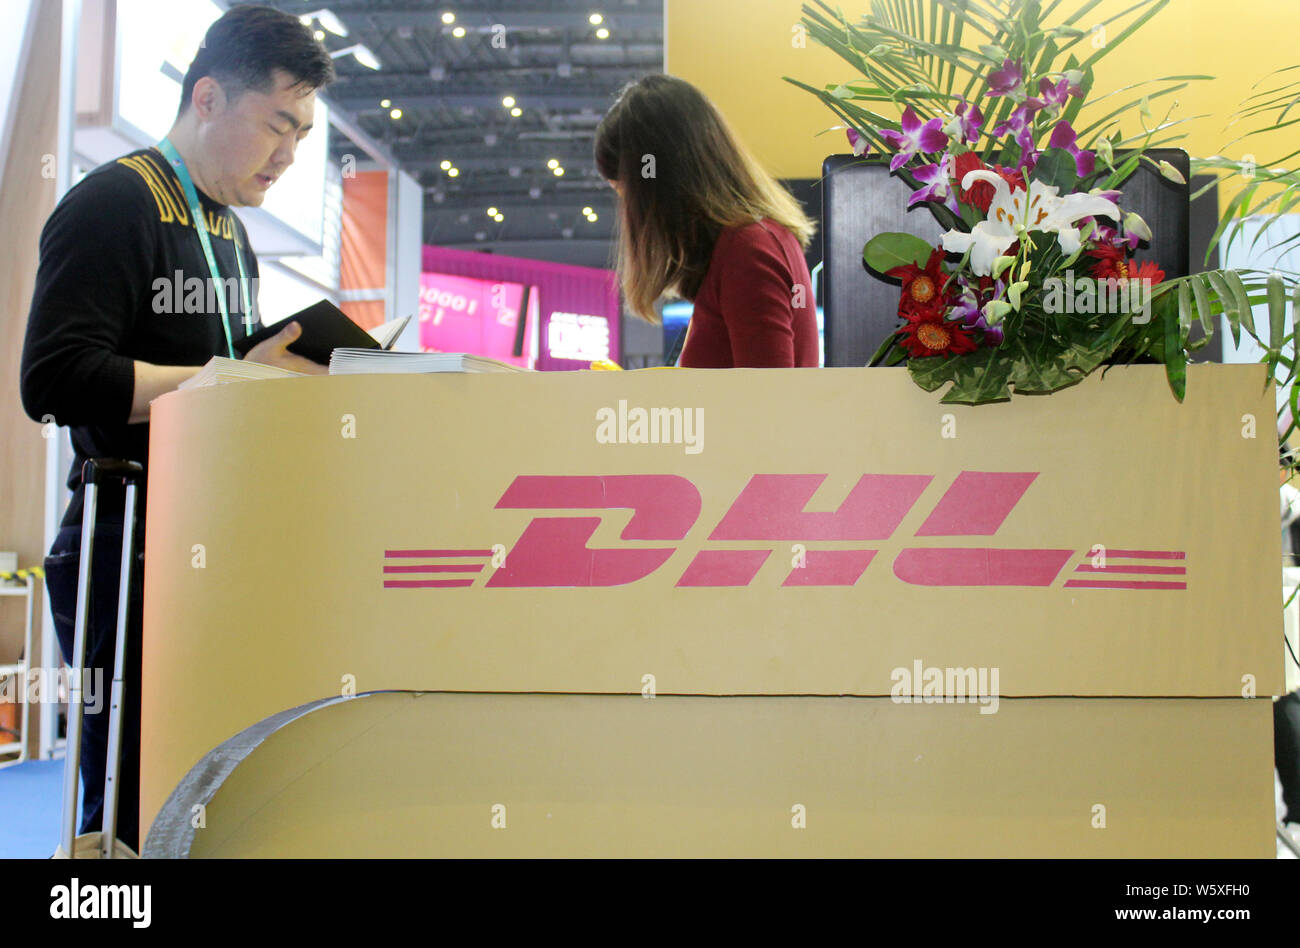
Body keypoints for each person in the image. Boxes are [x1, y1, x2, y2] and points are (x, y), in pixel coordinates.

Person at [19, 4, 334, 852]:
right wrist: (227, 380)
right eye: (278, 124)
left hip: (214, 543)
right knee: (126, 793)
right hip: (122, 546)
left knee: (204, 785)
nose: (290, 155)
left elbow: (228, 378)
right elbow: (52, 378)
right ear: (207, 97)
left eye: (303, 134)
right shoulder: (113, 204)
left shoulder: (233, 234)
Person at [594, 74, 819, 368]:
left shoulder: (748, 252)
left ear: (656, 186)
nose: (628, 211)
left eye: (624, 191)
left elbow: (768, 405)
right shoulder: (746, 247)